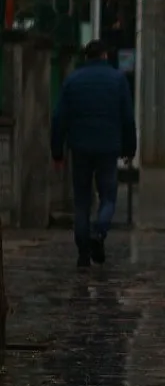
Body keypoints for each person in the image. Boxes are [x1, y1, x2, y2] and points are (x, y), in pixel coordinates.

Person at [50, 40, 137, 269]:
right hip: (108, 147)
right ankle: (99, 233)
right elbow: (128, 118)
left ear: (85, 57)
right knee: (108, 196)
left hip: (80, 148)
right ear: (105, 56)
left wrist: (57, 152)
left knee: (82, 200)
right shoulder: (118, 80)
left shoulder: (72, 81)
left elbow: (59, 118)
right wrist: (130, 149)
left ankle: (82, 253)